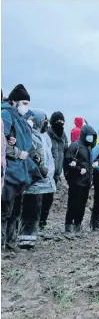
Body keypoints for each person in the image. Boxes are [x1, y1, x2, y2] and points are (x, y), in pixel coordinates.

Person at [1, 84, 43, 247]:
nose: (26, 107)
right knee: (4, 208)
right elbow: (3, 142)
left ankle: (10, 242)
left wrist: (35, 158)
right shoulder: (5, 115)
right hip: (9, 169)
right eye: (24, 103)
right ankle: (3, 243)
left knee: (15, 208)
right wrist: (17, 152)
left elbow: (26, 143)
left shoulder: (21, 120)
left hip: (20, 170)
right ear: (14, 101)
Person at [18, 110, 55, 246]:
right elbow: (34, 157)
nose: (46, 124)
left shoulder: (44, 137)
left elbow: (48, 156)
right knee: (29, 207)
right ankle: (24, 238)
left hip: (42, 178)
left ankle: (31, 235)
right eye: (44, 121)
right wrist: (40, 169)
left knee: (36, 207)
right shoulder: (31, 136)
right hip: (32, 178)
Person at [63, 124, 97, 233]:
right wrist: (78, 169)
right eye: (89, 135)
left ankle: (78, 224)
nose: (90, 137)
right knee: (73, 202)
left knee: (82, 203)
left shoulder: (89, 147)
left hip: (86, 181)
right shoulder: (75, 146)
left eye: (92, 135)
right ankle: (68, 224)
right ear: (84, 135)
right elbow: (68, 161)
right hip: (75, 181)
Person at [39, 111, 68, 230]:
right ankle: (37, 221)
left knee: (49, 199)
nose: (60, 124)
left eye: (62, 122)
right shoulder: (47, 135)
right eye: (58, 121)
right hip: (45, 173)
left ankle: (43, 222)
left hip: (56, 173)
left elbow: (65, 152)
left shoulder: (63, 135)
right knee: (41, 198)